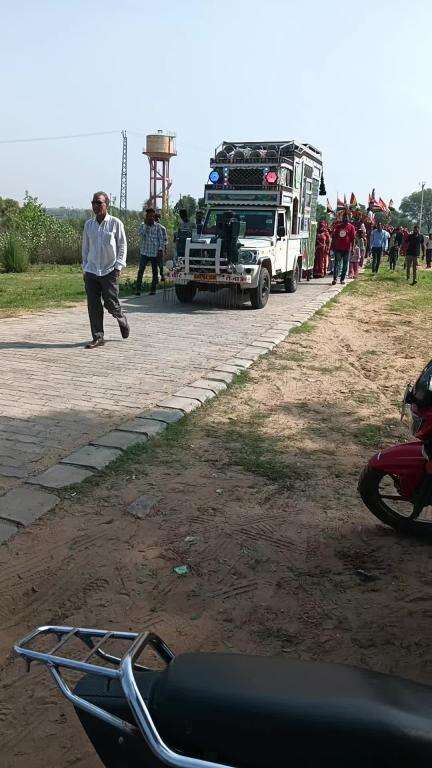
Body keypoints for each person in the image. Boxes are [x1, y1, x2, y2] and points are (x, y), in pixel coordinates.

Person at [81, 191, 129, 350]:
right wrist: (85, 268)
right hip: (92, 271)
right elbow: (85, 248)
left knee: (110, 302)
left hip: (109, 270)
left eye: (99, 203)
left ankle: (120, 317)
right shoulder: (89, 225)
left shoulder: (115, 223)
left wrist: (118, 266)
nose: (95, 206)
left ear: (106, 204)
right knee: (93, 305)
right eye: (93, 203)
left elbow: (122, 246)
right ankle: (98, 337)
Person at [136, 208, 164, 296]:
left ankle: (153, 289)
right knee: (141, 271)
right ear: (146, 216)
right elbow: (141, 234)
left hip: (154, 252)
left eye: (152, 216)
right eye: (149, 216)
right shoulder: (142, 225)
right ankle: (138, 290)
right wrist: (146, 225)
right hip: (144, 252)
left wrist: (160, 249)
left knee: (155, 271)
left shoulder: (158, 227)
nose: (151, 218)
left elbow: (161, 239)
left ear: (154, 216)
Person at [331, 211, 356, 285]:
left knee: (345, 265)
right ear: (342, 218)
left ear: (348, 218)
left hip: (347, 249)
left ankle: (342, 279)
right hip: (338, 248)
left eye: (346, 217)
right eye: (344, 217)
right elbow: (334, 237)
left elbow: (353, 239)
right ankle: (335, 279)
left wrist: (353, 249)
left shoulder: (351, 227)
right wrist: (332, 247)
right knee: (337, 264)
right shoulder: (338, 226)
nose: (345, 218)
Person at [154, 212, 167, 281]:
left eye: (158, 218)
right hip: (153, 249)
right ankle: (157, 277)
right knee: (155, 264)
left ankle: (162, 275)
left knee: (160, 263)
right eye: (156, 218)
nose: (157, 220)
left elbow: (165, 239)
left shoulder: (162, 228)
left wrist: (165, 248)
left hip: (160, 249)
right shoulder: (152, 228)